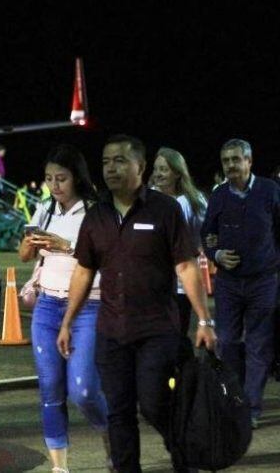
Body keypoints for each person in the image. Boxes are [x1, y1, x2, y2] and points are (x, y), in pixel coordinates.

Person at [57, 134, 216, 473]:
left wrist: (204, 320)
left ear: (140, 167)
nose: (110, 168)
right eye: (105, 161)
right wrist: (68, 321)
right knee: (119, 411)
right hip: (112, 331)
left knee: (155, 404)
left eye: (119, 161)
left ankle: (183, 455)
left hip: (157, 329)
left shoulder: (165, 210)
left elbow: (186, 266)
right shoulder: (96, 216)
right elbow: (84, 271)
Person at [18, 144, 110, 473]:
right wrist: (29, 244)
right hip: (46, 306)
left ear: (77, 178)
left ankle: (110, 434)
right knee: (50, 389)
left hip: (88, 307)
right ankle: (60, 467)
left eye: (61, 179)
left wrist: (65, 246)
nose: (54, 186)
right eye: (48, 179)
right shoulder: (44, 209)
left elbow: (105, 259)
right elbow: (25, 256)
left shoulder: (95, 211)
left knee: (83, 389)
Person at [201, 138, 280, 428]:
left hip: (263, 281)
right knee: (229, 342)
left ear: (249, 161)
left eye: (236, 159)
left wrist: (273, 262)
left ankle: (252, 408)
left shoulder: (270, 191)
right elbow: (207, 232)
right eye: (226, 161)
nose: (231, 166)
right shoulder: (219, 195)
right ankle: (236, 400)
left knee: (259, 345)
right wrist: (216, 254)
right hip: (229, 283)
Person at [151, 147, 208, 337]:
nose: (158, 174)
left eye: (164, 169)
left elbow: (203, 236)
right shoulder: (146, 198)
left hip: (180, 285)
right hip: (152, 283)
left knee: (177, 336)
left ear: (177, 173)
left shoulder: (193, 201)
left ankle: (191, 364)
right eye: (156, 169)